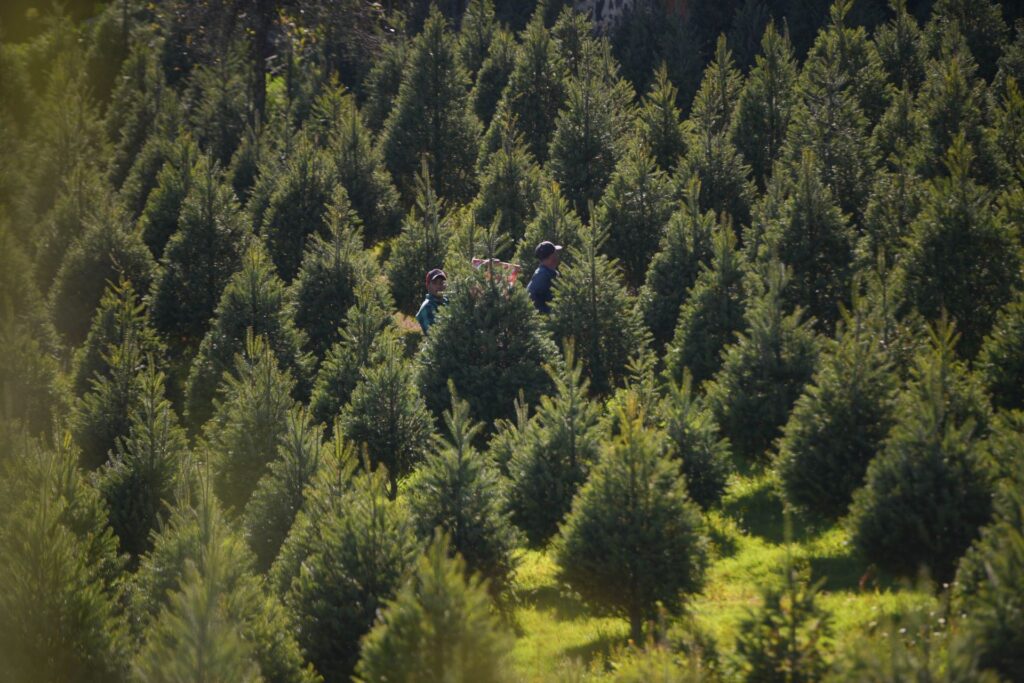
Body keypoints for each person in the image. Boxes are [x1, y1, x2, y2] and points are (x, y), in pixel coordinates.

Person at [527, 240, 562, 314]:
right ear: (551, 257)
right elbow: (533, 299)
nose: (557, 256)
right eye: (555, 253)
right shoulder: (543, 275)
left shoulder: (547, 272)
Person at [416, 268, 448, 334]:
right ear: (428, 286)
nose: (439, 285)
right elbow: (435, 335)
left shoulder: (448, 300)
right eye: (435, 283)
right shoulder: (427, 307)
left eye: (442, 282)